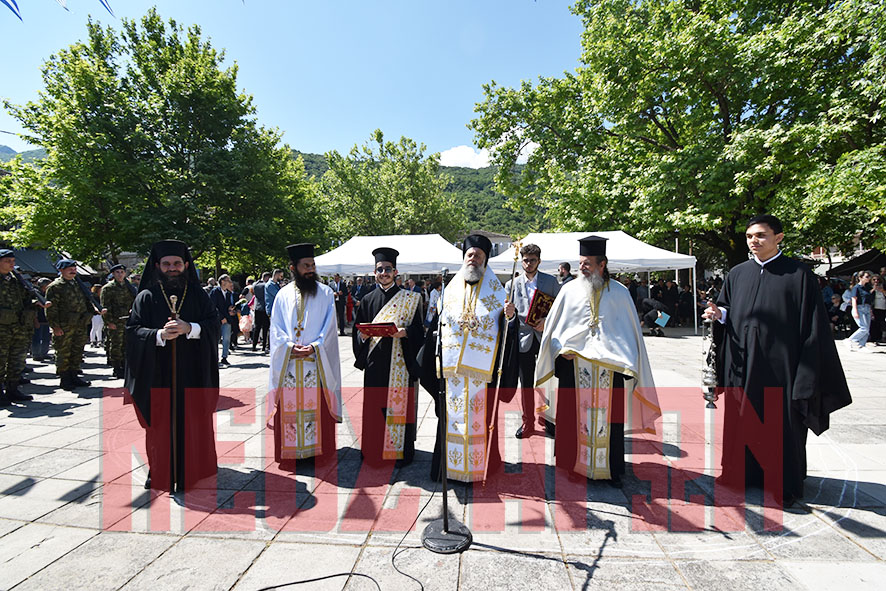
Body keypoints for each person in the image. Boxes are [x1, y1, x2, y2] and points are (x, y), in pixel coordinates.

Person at [704, 214, 851, 506]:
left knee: (780, 425)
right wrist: (719, 315)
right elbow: (729, 309)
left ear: (779, 237)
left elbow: (812, 326)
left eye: (760, 235)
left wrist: (807, 374)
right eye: (749, 237)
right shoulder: (737, 273)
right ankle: (738, 475)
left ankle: (782, 483)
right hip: (742, 365)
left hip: (782, 368)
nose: (753, 241)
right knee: (741, 420)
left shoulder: (798, 275)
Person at [536, 236, 661, 486]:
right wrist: (562, 350)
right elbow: (554, 330)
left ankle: (612, 470)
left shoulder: (621, 293)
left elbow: (629, 333)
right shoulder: (568, 291)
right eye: (580, 263)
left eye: (587, 263)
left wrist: (626, 360)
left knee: (610, 422)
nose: (582, 267)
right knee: (573, 419)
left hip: (609, 369)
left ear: (602, 264)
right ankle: (574, 466)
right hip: (575, 367)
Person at [420, 234, 518, 482]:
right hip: (452, 370)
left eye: (478, 256)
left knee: (481, 421)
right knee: (450, 418)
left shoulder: (496, 292)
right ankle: (447, 469)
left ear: (486, 260)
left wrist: (510, 317)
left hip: (481, 371)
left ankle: (481, 468)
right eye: (470, 255)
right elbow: (440, 326)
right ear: (464, 258)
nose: (473, 259)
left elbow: (506, 334)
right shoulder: (450, 288)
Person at [125, 240, 220, 492]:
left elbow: (213, 324)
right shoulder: (146, 297)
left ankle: (196, 468)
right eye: (166, 264)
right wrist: (158, 335)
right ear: (157, 266)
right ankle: (159, 469)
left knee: (193, 423)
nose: (172, 268)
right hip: (158, 374)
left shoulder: (199, 294)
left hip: (192, 372)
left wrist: (191, 328)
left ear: (186, 265)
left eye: (177, 263)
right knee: (160, 426)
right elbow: (133, 331)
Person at [267, 244, 342, 466]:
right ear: (293, 267)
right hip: (289, 363)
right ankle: (292, 455)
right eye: (305, 266)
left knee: (316, 409)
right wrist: (289, 346)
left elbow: (330, 327)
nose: (310, 269)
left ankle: (318, 454)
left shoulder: (326, 292)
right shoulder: (282, 294)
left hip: (315, 363)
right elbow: (276, 328)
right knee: (290, 409)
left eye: (312, 265)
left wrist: (315, 346)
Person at [352, 248, 424, 465]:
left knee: (399, 408)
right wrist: (362, 336)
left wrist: (405, 333)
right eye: (380, 269)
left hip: (401, 360)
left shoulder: (411, 299)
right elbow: (358, 329)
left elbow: (420, 331)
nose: (384, 273)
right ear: (374, 272)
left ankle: (401, 453)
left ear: (396, 272)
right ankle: (373, 451)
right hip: (375, 362)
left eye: (387, 269)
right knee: (375, 406)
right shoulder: (366, 299)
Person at [503, 243, 560, 438]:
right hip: (523, 338)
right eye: (525, 260)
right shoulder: (511, 284)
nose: (528, 263)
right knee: (526, 382)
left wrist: (547, 321)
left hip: (545, 336)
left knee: (548, 380)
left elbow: (560, 309)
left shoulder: (551, 282)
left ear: (539, 261)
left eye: (532, 260)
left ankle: (549, 419)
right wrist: (509, 315)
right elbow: (508, 317)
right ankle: (528, 422)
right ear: (521, 261)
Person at [46, 259, 97, 391]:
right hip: (64, 325)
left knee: (77, 350)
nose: (73, 270)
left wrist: (93, 311)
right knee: (64, 352)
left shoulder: (78, 284)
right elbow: (51, 308)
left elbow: (86, 301)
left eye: (74, 268)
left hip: (79, 324)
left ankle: (74, 374)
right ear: (61, 270)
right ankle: (65, 378)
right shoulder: (55, 287)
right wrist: (55, 326)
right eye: (69, 268)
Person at [0, 250, 39, 404]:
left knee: (17, 359)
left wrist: (34, 303)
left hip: (18, 326)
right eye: (7, 261)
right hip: (1, 327)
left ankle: (13, 389)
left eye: (13, 260)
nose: (12, 264)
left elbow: (25, 299)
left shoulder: (16, 280)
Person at [101, 264, 137, 378]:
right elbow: (105, 307)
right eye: (117, 272)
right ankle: (117, 367)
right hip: (115, 321)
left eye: (122, 272)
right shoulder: (108, 288)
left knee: (127, 344)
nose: (120, 274)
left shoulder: (129, 287)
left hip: (128, 320)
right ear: (113, 274)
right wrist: (108, 322)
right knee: (116, 344)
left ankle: (125, 365)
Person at [209, 274, 236, 366]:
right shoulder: (215, 292)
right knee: (216, 339)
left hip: (227, 319)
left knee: (226, 339)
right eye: (228, 281)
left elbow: (227, 306)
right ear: (223, 282)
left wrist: (231, 310)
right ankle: (214, 359)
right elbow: (212, 306)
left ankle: (224, 357)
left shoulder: (228, 293)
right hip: (217, 320)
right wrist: (221, 318)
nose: (230, 283)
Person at [848, 270, 874, 351]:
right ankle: (850, 340)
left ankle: (862, 345)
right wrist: (855, 310)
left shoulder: (867, 287)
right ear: (860, 278)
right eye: (866, 277)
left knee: (867, 329)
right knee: (863, 327)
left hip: (867, 308)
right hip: (859, 308)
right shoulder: (856, 288)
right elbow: (854, 299)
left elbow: (868, 299)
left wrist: (871, 310)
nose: (868, 278)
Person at [251, 272, 271, 352]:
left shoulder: (255, 284)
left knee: (257, 327)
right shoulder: (266, 285)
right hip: (264, 308)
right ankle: (264, 346)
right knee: (265, 328)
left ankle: (254, 345)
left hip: (257, 307)